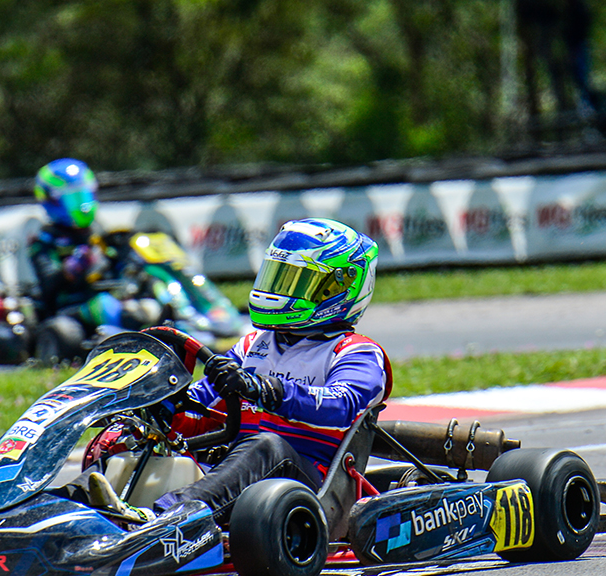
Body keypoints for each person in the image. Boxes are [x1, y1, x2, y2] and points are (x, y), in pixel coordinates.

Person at [74, 217, 393, 526]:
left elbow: (341, 404)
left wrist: (268, 389)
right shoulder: (255, 344)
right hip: (240, 473)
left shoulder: (357, 352)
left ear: (339, 288)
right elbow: (202, 400)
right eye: (278, 278)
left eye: (296, 282)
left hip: (310, 490)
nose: (281, 291)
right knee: (131, 436)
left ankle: (167, 519)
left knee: (266, 445)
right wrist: (159, 407)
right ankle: (71, 506)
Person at [29, 158, 155, 332]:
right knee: (103, 305)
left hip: (113, 298)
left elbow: (119, 268)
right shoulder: (44, 243)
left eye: (83, 195)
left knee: (152, 293)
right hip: (71, 309)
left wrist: (129, 263)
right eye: (72, 197)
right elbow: (49, 285)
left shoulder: (99, 236)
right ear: (53, 201)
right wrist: (71, 268)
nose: (81, 203)